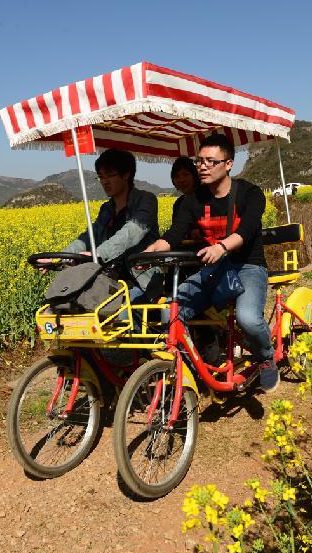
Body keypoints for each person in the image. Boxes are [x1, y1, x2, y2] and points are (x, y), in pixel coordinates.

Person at [143, 134, 278, 392]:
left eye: (210, 161)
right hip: (215, 269)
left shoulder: (249, 193)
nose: (202, 167)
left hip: (248, 266)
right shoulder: (193, 199)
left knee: (248, 319)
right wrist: (151, 252)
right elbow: (174, 234)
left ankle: (265, 357)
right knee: (169, 312)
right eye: (199, 161)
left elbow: (247, 230)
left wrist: (222, 246)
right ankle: (190, 367)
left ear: (228, 164)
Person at [47, 148, 162, 303]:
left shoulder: (146, 200)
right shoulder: (106, 209)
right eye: (101, 176)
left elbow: (132, 232)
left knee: (119, 311)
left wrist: (99, 254)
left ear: (126, 175)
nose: (104, 181)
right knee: (65, 305)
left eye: (110, 175)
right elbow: (89, 237)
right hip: (107, 280)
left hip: (140, 281)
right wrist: (58, 257)